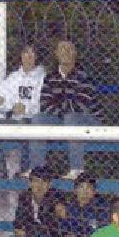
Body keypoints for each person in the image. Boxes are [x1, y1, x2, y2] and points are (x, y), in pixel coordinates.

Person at [32, 40, 103, 180]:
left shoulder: (84, 76)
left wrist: (59, 106)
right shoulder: (50, 77)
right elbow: (45, 105)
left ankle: (77, 169)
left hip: (89, 121)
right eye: (62, 49)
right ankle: (37, 170)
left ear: (75, 54)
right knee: (38, 118)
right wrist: (64, 108)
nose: (66, 53)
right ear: (56, 54)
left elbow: (80, 106)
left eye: (69, 49)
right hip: (62, 120)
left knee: (72, 117)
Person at [0, 44, 46, 179]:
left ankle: (26, 170)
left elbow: (43, 103)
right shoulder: (14, 77)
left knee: (27, 125)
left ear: (37, 57)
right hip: (14, 119)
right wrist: (10, 106)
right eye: (25, 53)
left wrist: (26, 108)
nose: (28, 57)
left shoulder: (43, 78)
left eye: (32, 54)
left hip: (33, 119)